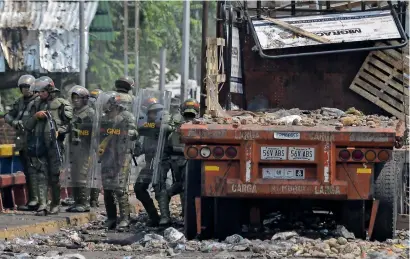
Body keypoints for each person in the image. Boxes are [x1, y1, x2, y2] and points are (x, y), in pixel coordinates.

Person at [24, 77, 73, 216]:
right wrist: (36, 117)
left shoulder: (62, 104)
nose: (39, 94)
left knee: (54, 176)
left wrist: (59, 131)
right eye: (38, 92)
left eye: (42, 91)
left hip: (55, 145)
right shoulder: (34, 104)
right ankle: (42, 205)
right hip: (39, 145)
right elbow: (27, 125)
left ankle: (55, 204)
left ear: (50, 90)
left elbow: (71, 124)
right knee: (41, 175)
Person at [97, 91, 138, 230]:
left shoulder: (126, 116)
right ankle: (111, 218)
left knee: (120, 188)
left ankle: (125, 218)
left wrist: (130, 132)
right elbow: (97, 134)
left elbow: (134, 132)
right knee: (107, 188)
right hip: (107, 154)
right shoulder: (104, 118)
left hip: (122, 154)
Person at [157, 98, 199, 224]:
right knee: (163, 186)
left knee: (187, 187)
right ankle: (165, 216)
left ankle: (188, 216)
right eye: (187, 114)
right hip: (174, 159)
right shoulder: (174, 122)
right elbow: (165, 138)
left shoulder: (200, 124)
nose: (189, 117)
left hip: (189, 160)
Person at [4, 74, 38, 211]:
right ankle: (32, 200)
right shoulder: (19, 102)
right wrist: (15, 122)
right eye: (22, 87)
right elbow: (8, 115)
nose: (25, 90)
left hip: (35, 140)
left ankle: (37, 200)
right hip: (22, 141)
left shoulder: (37, 102)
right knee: (27, 172)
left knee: (35, 172)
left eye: (27, 87)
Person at [134, 97, 165, 227]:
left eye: (153, 113)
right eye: (149, 113)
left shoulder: (165, 127)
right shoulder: (146, 128)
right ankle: (154, 216)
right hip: (149, 164)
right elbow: (141, 148)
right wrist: (135, 148)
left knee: (161, 191)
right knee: (139, 188)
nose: (150, 115)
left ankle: (165, 219)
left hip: (163, 166)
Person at [64, 85, 95, 212]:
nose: (76, 100)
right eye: (74, 98)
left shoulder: (90, 113)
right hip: (73, 145)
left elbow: (95, 131)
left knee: (82, 175)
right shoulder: (73, 113)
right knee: (74, 174)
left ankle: (84, 202)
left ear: (85, 99)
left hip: (85, 146)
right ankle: (77, 201)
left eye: (78, 98)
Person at [87, 88, 103, 207]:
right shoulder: (87, 112)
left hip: (99, 145)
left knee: (96, 173)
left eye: (95, 98)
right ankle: (85, 198)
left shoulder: (103, 114)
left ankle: (94, 199)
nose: (92, 101)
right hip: (86, 145)